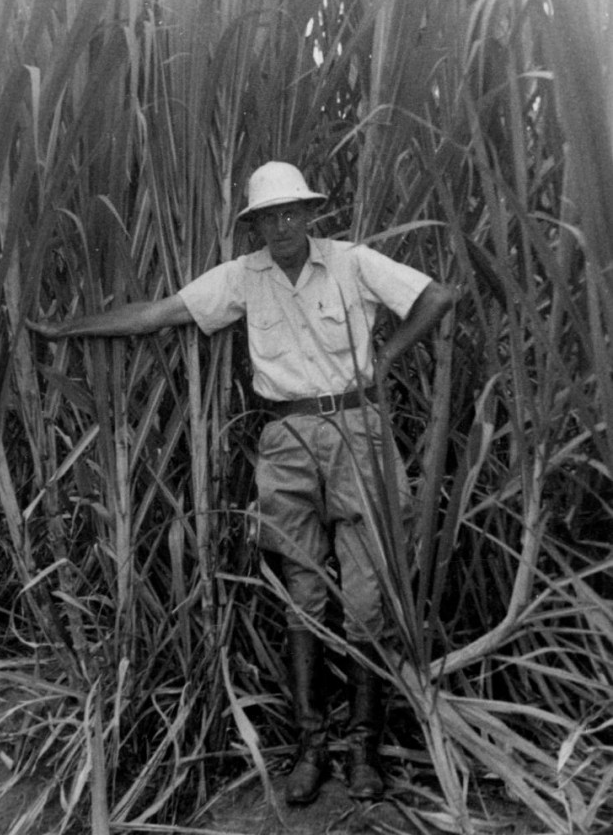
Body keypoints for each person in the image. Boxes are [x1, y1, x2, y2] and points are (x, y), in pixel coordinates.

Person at [28, 161, 454, 806]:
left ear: (310, 214)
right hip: (284, 441)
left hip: (359, 433)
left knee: (369, 599)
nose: (281, 225)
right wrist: (70, 328)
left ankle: (365, 752)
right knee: (302, 596)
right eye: (267, 217)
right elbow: (158, 314)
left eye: (291, 213)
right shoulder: (242, 278)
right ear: (253, 226)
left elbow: (437, 296)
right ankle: (311, 751)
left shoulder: (352, 262)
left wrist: (388, 358)